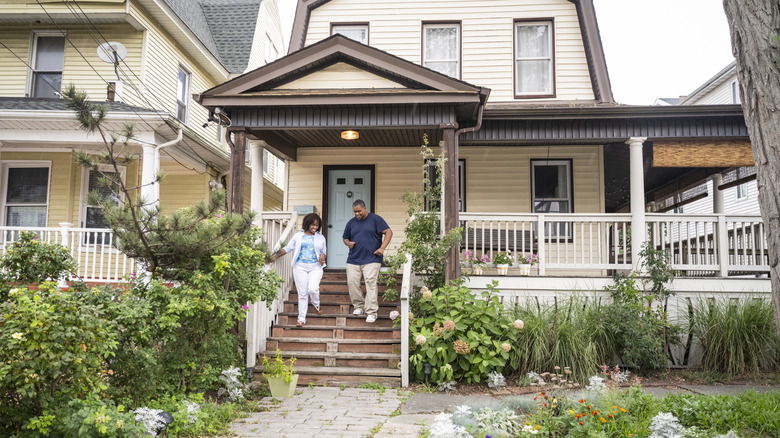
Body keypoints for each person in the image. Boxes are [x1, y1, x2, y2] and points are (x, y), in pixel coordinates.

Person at [271, 213, 327, 327]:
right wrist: (276, 255)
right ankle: (301, 319)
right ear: (307, 224)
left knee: (312, 289)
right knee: (302, 294)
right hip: (300, 267)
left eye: (317, 226)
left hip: (315, 267)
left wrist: (323, 255)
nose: (315, 227)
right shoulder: (298, 236)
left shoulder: (320, 237)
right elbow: (287, 248)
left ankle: (316, 305)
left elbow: (323, 251)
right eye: (313, 225)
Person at [342, 200, 393, 323]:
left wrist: (382, 248)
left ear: (365, 208)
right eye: (355, 212)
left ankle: (371, 312)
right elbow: (345, 238)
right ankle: (359, 306)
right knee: (352, 283)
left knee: (370, 283)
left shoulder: (375, 219)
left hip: (372, 258)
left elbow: (388, 232)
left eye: (359, 211)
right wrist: (348, 243)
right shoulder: (351, 222)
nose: (357, 214)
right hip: (354, 258)